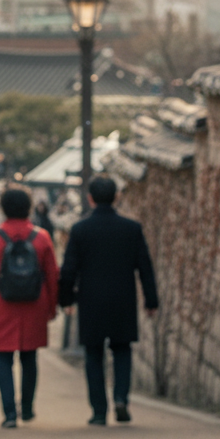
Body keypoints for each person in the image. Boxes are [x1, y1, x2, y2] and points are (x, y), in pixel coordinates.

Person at [58, 176, 158, 426]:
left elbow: (69, 269)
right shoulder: (131, 228)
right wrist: (151, 300)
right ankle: (121, 398)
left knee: (93, 354)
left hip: (91, 300)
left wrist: (66, 299)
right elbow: (144, 266)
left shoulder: (80, 230)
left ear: (90, 198)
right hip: (123, 298)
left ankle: (99, 411)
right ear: (117, 197)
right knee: (122, 350)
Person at [0, 187, 58, 428]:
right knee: (30, 357)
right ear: (28, 207)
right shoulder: (42, 237)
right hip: (34, 303)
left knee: (3, 360)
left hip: (2, 304)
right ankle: (27, 408)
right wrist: (52, 306)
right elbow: (51, 275)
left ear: (3, 208)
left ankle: (9, 414)